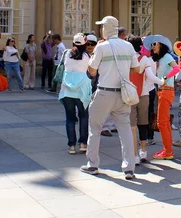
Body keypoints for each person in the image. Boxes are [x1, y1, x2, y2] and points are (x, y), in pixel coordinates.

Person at [81, 16, 140, 180]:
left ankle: (92, 165)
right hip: (122, 94)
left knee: (95, 129)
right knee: (125, 131)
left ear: (105, 29)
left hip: (104, 92)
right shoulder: (128, 46)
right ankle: (129, 168)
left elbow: (92, 71)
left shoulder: (102, 47)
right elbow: (137, 69)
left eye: (101, 27)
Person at [143, 35, 178, 160]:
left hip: (166, 90)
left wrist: (166, 78)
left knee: (162, 122)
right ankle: (167, 149)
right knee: (164, 122)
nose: (152, 47)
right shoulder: (161, 58)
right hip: (163, 91)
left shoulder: (167, 57)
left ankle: (168, 151)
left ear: (161, 45)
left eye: (154, 44)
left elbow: (177, 68)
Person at [59, 33, 92, 154]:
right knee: (83, 116)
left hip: (67, 89)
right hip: (82, 90)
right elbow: (91, 70)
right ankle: (83, 143)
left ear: (73, 43)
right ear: (84, 45)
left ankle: (71, 146)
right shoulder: (87, 56)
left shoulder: (67, 54)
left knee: (70, 118)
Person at [129, 37, 152, 163]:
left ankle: (135, 154)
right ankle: (143, 151)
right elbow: (150, 76)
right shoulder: (145, 59)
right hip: (143, 94)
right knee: (143, 123)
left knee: (132, 126)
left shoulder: (127, 59)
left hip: (129, 95)